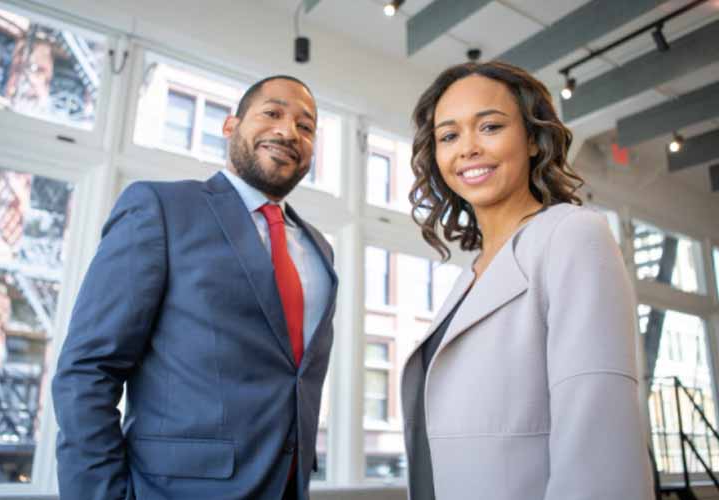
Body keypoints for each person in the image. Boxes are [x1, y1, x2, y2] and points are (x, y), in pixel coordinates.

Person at [52, 75, 338, 500]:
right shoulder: (160, 208)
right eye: (272, 113)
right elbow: (89, 371)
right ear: (230, 126)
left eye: (306, 126)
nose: (288, 131)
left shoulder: (319, 249)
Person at [400, 62, 654, 500]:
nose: (468, 149)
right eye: (449, 136)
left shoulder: (571, 234)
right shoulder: (471, 274)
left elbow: (599, 441)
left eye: (491, 126)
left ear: (534, 140)